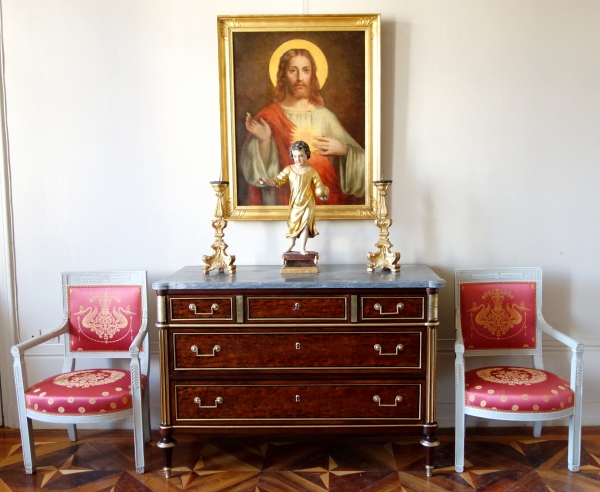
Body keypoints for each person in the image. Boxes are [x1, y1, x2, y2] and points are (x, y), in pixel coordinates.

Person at [241, 47, 364, 206]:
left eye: (305, 70)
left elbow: (366, 163)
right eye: (293, 71)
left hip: (326, 204)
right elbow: (256, 175)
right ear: (283, 76)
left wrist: (345, 150)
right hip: (286, 202)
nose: (300, 77)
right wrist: (264, 141)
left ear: (312, 75)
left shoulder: (325, 116)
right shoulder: (269, 116)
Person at [259, 141, 329, 255]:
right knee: (293, 224)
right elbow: (277, 181)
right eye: (295, 156)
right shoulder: (289, 169)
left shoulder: (312, 171)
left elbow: (319, 185)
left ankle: (302, 248)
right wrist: (267, 180)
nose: (298, 159)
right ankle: (291, 243)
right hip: (295, 203)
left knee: (305, 225)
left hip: (308, 203)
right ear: (292, 155)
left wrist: (323, 194)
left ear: (307, 155)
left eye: (301, 155)